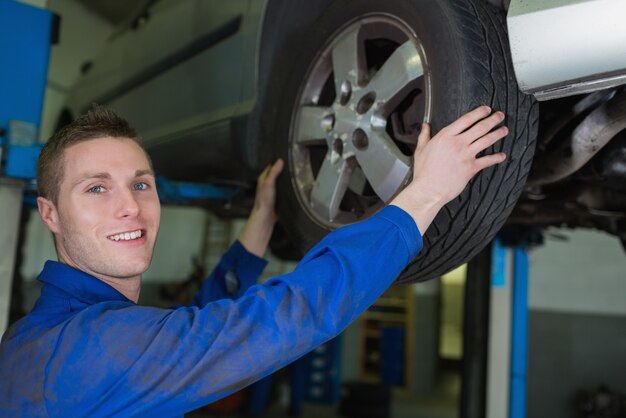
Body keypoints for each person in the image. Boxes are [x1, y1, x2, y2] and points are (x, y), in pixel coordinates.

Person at [0, 105, 508, 417]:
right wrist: (427, 193)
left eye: (141, 184)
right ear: (50, 214)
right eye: (96, 188)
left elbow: (192, 327)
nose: (129, 205)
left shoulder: (41, 336)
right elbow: (285, 318)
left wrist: (262, 219)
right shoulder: (89, 349)